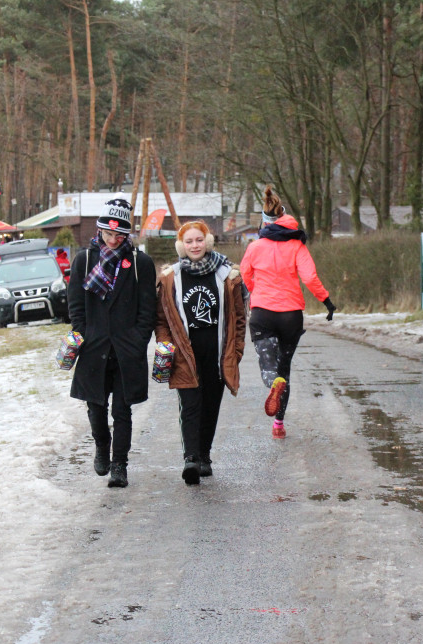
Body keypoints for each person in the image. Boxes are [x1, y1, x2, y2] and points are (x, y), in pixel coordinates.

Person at [68, 196, 157, 488]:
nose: (113, 240)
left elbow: (148, 309)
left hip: (126, 350)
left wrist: (138, 341)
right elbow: (75, 305)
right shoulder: (84, 260)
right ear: (100, 230)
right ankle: (101, 446)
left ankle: (120, 465)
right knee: (95, 406)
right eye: (108, 233)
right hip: (93, 347)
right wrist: (84, 334)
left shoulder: (140, 263)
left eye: (119, 235)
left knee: (122, 410)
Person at [240, 185, 335, 439]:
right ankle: (279, 425)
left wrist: (257, 293)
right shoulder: (297, 245)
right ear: (284, 217)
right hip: (291, 316)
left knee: (268, 366)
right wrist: (326, 301)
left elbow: (246, 276)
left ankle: (273, 381)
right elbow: (310, 278)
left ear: (264, 221)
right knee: (285, 368)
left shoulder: (255, 247)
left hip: (262, 313)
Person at [155, 222, 246, 484]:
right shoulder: (170, 278)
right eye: (189, 241)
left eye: (198, 240)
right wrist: (165, 345)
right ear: (181, 246)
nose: (194, 245)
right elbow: (161, 320)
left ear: (207, 242)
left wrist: (236, 352)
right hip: (184, 355)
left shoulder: (227, 276)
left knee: (210, 406)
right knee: (190, 405)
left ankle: (205, 455)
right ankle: (191, 459)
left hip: (217, 354)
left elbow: (239, 318)